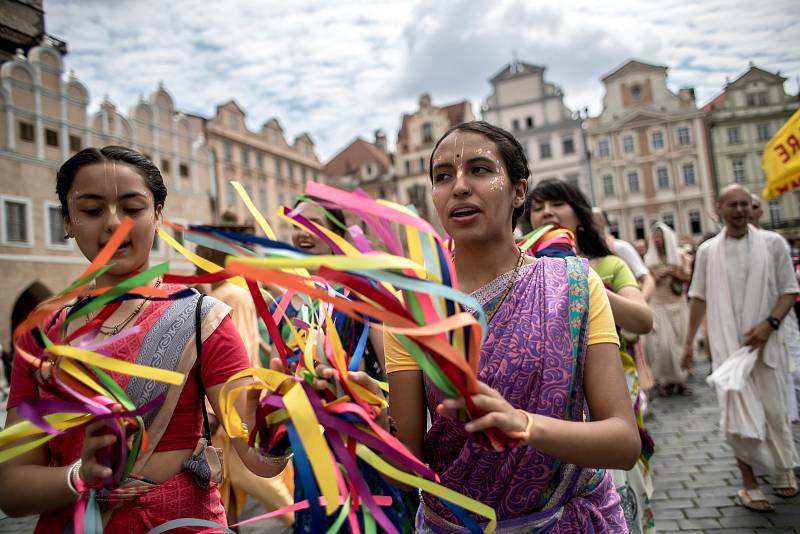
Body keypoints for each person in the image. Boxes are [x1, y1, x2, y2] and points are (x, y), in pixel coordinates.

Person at [0, 147, 286, 532]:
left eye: (132, 208)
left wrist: (285, 419)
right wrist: (81, 476)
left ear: (158, 216)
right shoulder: (42, 334)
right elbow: (11, 489)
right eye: (91, 210)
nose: (114, 224)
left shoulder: (204, 319)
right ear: (66, 220)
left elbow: (259, 462)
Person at [382, 122, 639, 532]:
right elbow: (405, 467)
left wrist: (523, 425)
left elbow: (624, 443)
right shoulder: (410, 310)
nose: (459, 187)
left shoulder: (573, 286)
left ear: (520, 191)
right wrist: (360, 417)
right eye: (443, 176)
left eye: (480, 170)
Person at [528, 178, 654, 534]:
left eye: (557, 204)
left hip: (608, 386)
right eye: (538, 207)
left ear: (579, 216)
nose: (547, 212)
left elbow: (642, 319)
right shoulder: (525, 266)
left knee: (619, 484)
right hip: (551, 397)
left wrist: (580, 278)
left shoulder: (609, 265)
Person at [683, 184, 800, 511]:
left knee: (775, 411)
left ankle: (782, 471)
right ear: (718, 208)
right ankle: (749, 484)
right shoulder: (707, 251)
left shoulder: (773, 243)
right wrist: (688, 342)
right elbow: (699, 297)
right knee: (737, 414)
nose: (739, 210)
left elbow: (789, 292)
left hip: (767, 344)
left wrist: (769, 325)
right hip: (727, 346)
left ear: (751, 208)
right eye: (732, 204)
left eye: (745, 204)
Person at [194, 241, 295, 527]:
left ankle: (299, 518)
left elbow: (230, 354)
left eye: (203, 254)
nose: (197, 261)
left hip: (230, 397)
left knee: (242, 474)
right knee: (228, 480)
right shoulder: (237, 292)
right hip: (236, 393)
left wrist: (215, 412)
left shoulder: (227, 294)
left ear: (215, 256)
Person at [644, 223, 693, 396]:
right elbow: (648, 282)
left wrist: (674, 274)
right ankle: (665, 380)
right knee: (664, 345)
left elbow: (687, 277)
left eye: (660, 236)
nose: (658, 240)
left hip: (678, 304)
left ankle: (680, 380)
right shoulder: (649, 260)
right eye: (655, 236)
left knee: (681, 343)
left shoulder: (680, 256)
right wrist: (660, 275)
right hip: (659, 305)